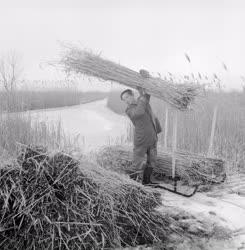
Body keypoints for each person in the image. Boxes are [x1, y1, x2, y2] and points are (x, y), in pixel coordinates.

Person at [120, 69, 162, 184]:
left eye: (127, 97)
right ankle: (132, 184)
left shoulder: (141, 100)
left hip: (152, 137)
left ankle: (147, 182)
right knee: (137, 163)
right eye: (124, 100)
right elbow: (139, 112)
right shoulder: (129, 110)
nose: (126, 101)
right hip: (141, 140)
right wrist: (142, 95)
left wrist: (145, 80)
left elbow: (147, 94)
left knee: (152, 161)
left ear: (132, 95)